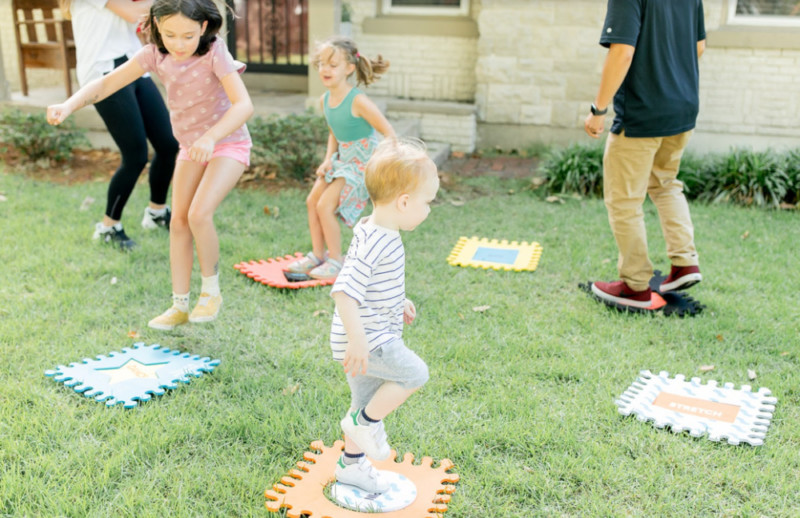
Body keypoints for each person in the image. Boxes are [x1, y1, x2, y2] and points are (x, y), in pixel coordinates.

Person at [48, 0, 253, 329]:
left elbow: (243, 105)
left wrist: (211, 137)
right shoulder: (153, 55)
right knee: (178, 223)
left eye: (188, 36)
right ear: (156, 27)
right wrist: (69, 104)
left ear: (203, 28)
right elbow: (104, 84)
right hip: (191, 147)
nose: (179, 44)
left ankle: (211, 293)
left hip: (227, 143)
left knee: (199, 214)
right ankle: (179, 305)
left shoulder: (214, 51)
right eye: (170, 34)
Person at [329, 138, 438, 493]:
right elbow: (344, 291)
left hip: (364, 336)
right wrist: (359, 341)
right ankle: (365, 423)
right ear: (404, 202)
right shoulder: (380, 240)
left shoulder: (374, 229)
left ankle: (351, 465)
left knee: (364, 397)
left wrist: (397, 300)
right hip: (367, 340)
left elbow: (372, 283)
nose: (429, 210)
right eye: (428, 203)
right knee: (414, 373)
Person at [584, 0, 706, 308]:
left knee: (623, 200)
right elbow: (699, 47)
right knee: (665, 184)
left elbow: (622, 52)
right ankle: (685, 263)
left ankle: (635, 286)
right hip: (682, 109)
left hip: (643, 114)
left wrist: (598, 109)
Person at [62, 0, 179, 251]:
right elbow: (133, 12)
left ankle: (157, 212)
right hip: (102, 72)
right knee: (135, 156)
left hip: (132, 63)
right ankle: (108, 227)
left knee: (169, 144)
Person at [286, 36, 395, 281]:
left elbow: (389, 133)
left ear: (349, 68)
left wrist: (382, 164)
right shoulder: (325, 100)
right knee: (312, 201)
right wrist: (327, 159)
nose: (325, 70)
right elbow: (334, 132)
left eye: (332, 65)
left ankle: (336, 260)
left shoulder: (358, 101)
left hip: (361, 164)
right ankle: (317, 255)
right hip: (341, 160)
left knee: (325, 206)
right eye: (321, 64)